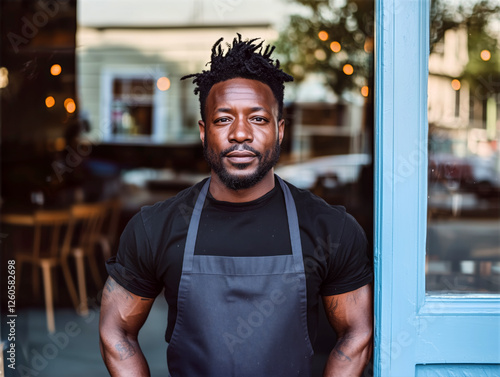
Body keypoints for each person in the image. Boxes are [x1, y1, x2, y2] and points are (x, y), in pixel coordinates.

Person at [99, 34, 373, 377]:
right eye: (223, 119)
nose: (240, 134)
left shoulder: (330, 229)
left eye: (258, 119)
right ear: (203, 131)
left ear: (280, 129)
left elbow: (357, 334)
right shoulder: (156, 227)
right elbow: (116, 332)